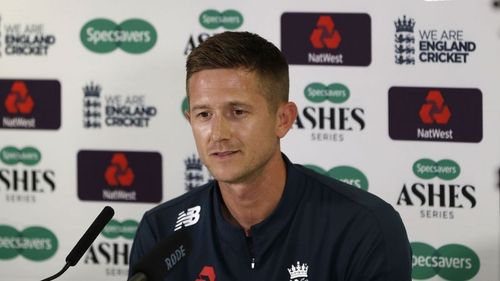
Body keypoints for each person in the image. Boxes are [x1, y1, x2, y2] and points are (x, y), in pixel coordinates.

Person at [129, 31, 412, 281]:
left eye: (238, 112)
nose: (218, 133)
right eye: (204, 115)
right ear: (190, 119)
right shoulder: (161, 231)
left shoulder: (364, 227)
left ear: (283, 119)